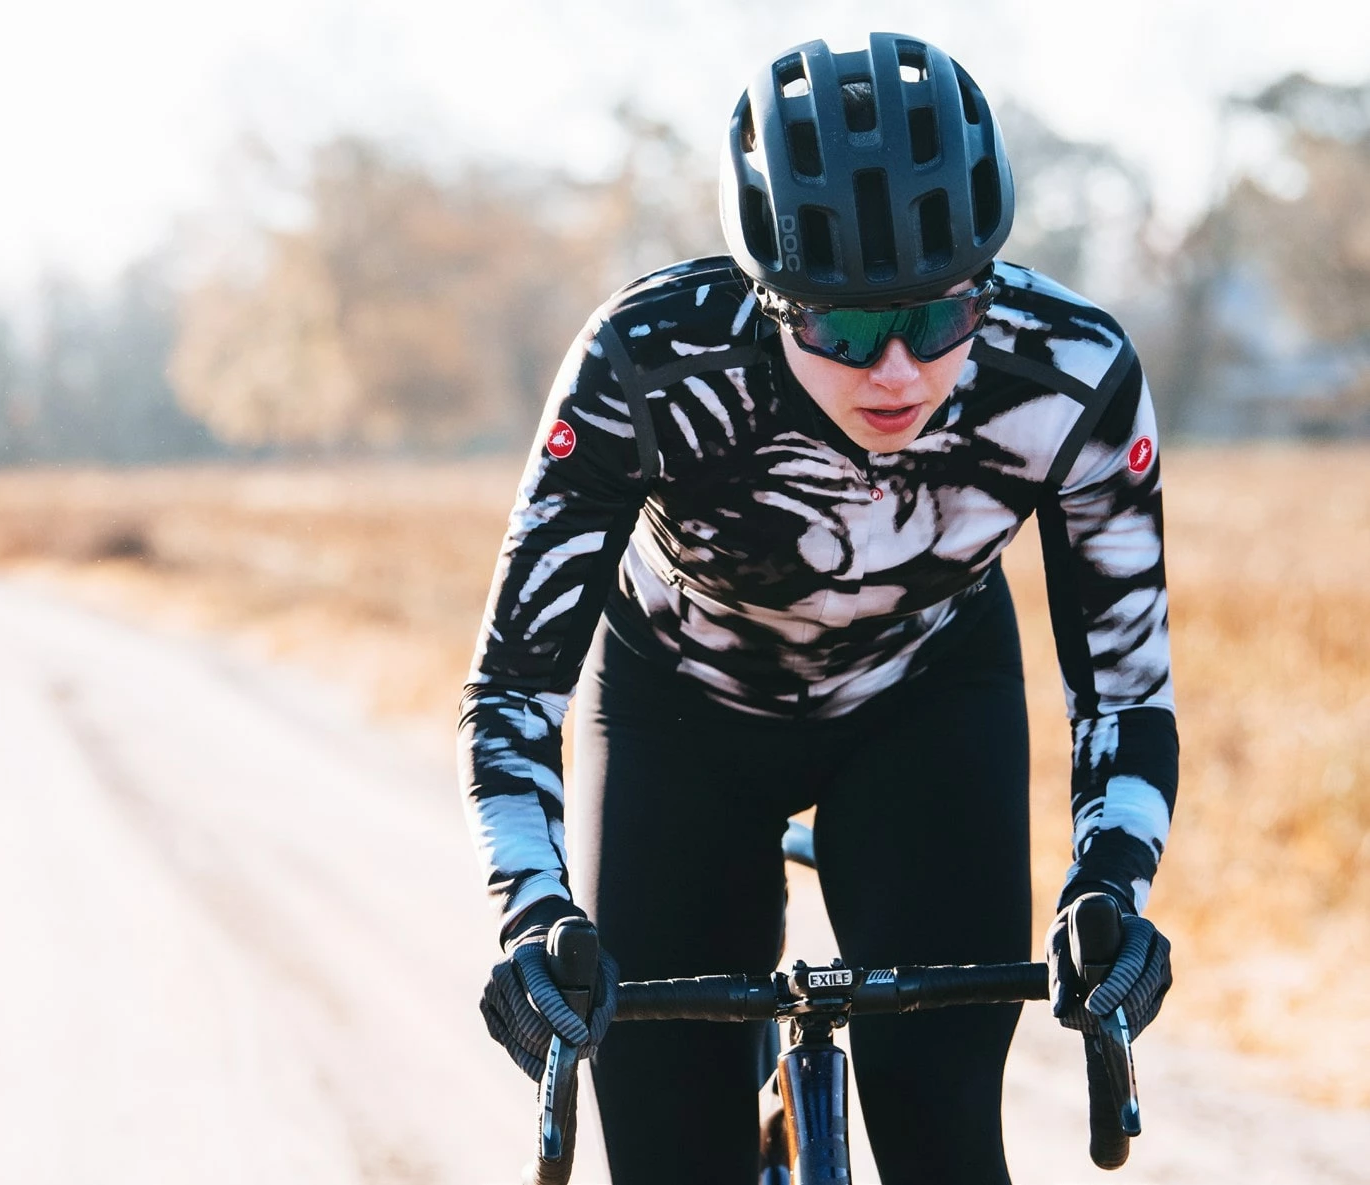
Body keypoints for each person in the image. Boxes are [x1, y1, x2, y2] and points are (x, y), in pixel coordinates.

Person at [462, 33, 1175, 1184]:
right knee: (669, 1152)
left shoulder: (1069, 373)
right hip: (676, 715)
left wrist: (1111, 888)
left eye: (941, 319)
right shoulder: (647, 370)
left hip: (928, 703)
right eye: (841, 328)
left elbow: (1128, 688)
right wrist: (533, 916)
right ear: (764, 296)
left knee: (945, 1136)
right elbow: (512, 687)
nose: (896, 369)